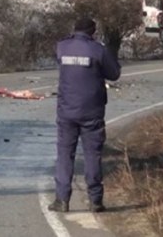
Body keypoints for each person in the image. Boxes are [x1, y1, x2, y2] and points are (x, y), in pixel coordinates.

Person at [48, 17, 121, 213]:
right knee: (92, 155)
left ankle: (61, 200)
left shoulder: (62, 47)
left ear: (74, 29)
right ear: (92, 32)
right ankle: (95, 200)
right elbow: (114, 74)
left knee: (64, 155)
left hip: (66, 111)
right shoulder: (97, 49)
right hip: (92, 112)